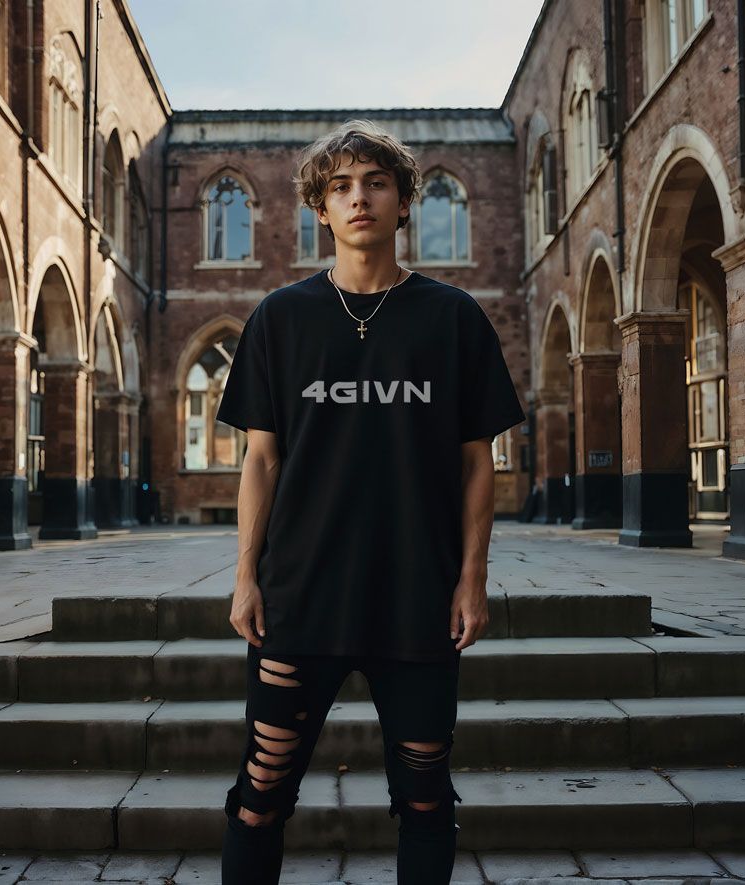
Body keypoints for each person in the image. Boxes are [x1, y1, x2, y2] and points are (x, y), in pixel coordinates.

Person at [214, 118, 527, 884]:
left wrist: (472, 578)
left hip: (417, 601)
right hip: (301, 595)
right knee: (261, 791)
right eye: (342, 186)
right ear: (320, 207)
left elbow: (476, 463)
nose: (360, 198)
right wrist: (245, 576)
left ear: (403, 202)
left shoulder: (452, 318)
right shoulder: (280, 319)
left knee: (424, 797)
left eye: (376, 183)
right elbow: (260, 459)